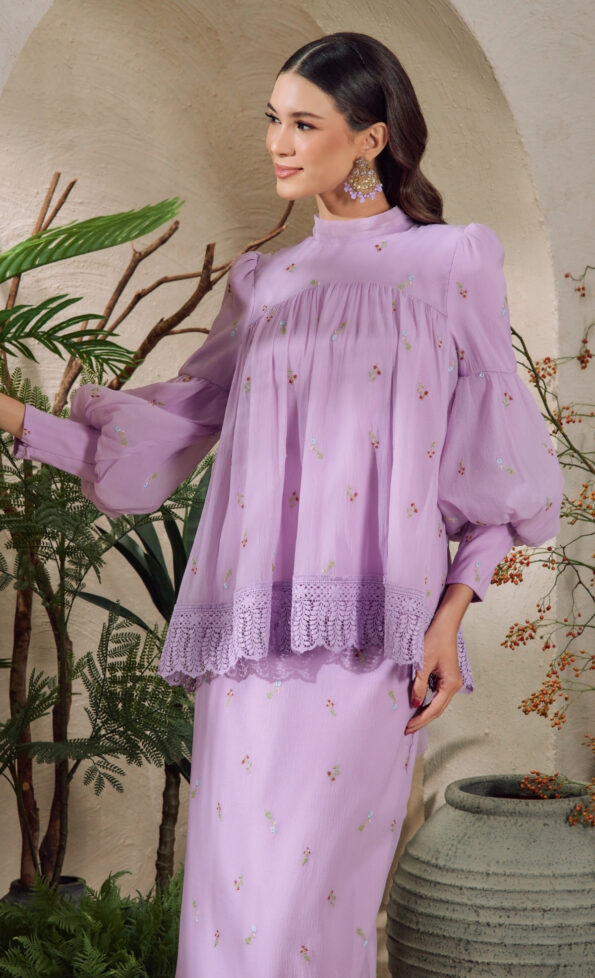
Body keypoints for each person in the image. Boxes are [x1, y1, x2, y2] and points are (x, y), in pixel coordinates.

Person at [1, 31, 564, 978]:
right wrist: (16, 417)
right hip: (247, 642)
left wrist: (449, 615)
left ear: (371, 138)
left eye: (304, 123)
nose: (277, 141)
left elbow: (495, 460)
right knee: (234, 904)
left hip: (372, 646)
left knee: (312, 901)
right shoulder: (264, 283)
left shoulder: (451, 261)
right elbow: (165, 435)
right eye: (273, 118)